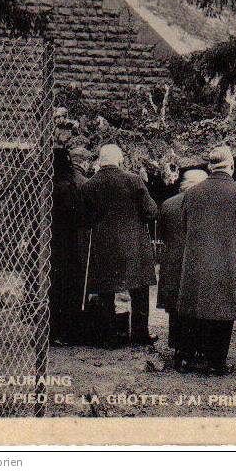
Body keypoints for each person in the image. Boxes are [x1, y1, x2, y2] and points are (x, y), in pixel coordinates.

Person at [177, 146, 236, 375]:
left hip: (198, 261)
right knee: (223, 312)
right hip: (229, 262)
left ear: (209, 167)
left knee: (199, 308)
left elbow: (184, 226)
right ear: (231, 166)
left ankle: (193, 357)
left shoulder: (191, 194)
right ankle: (217, 361)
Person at [79, 144, 158, 347]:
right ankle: (140, 334)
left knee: (106, 292)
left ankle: (109, 337)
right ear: (120, 160)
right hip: (134, 246)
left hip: (104, 247)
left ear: (99, 161)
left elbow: (85, 219)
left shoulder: (89, 185)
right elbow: (151, 211)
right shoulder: (134, 180)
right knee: (139, 291)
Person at [157, 168, 208, 371]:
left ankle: (179, 350)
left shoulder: (168, 204)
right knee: (195, 307)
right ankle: (196, 350)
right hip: (196, 262)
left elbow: (161, 233)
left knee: (176, 309)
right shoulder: (203, 205)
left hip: (172, 263)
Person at [49, 148, 82, 344]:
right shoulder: (66, 187)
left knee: (52, 288)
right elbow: (76, 215)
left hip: (50, 244)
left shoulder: (47, 185)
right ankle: (63, 332)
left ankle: (50, 331)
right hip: (66, 245)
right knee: (66, 288)